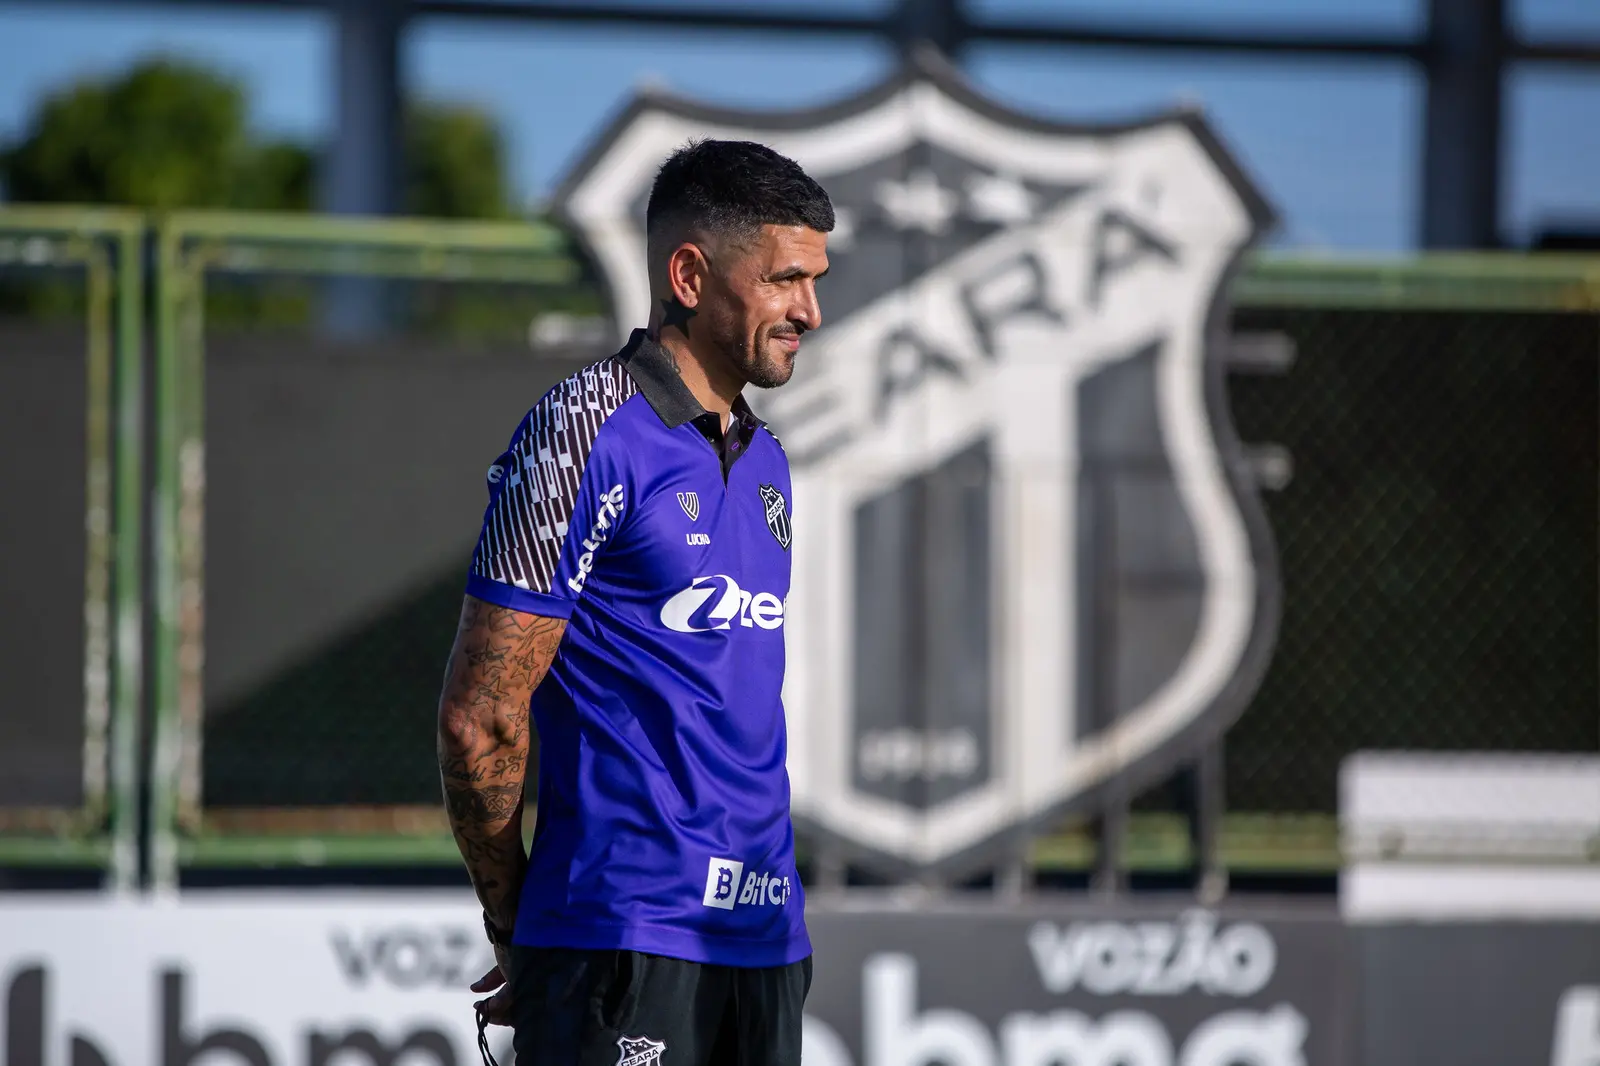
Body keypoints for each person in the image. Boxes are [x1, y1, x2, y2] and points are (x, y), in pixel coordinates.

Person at [435, 138, 833, 1066]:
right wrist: (516, 924)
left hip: (768, 942)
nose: (810, 311)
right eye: (784, 280)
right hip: (622, 937)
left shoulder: (766, 458)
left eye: (816, 282)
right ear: (689, 274)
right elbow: (481, 720)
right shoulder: (584, 428)